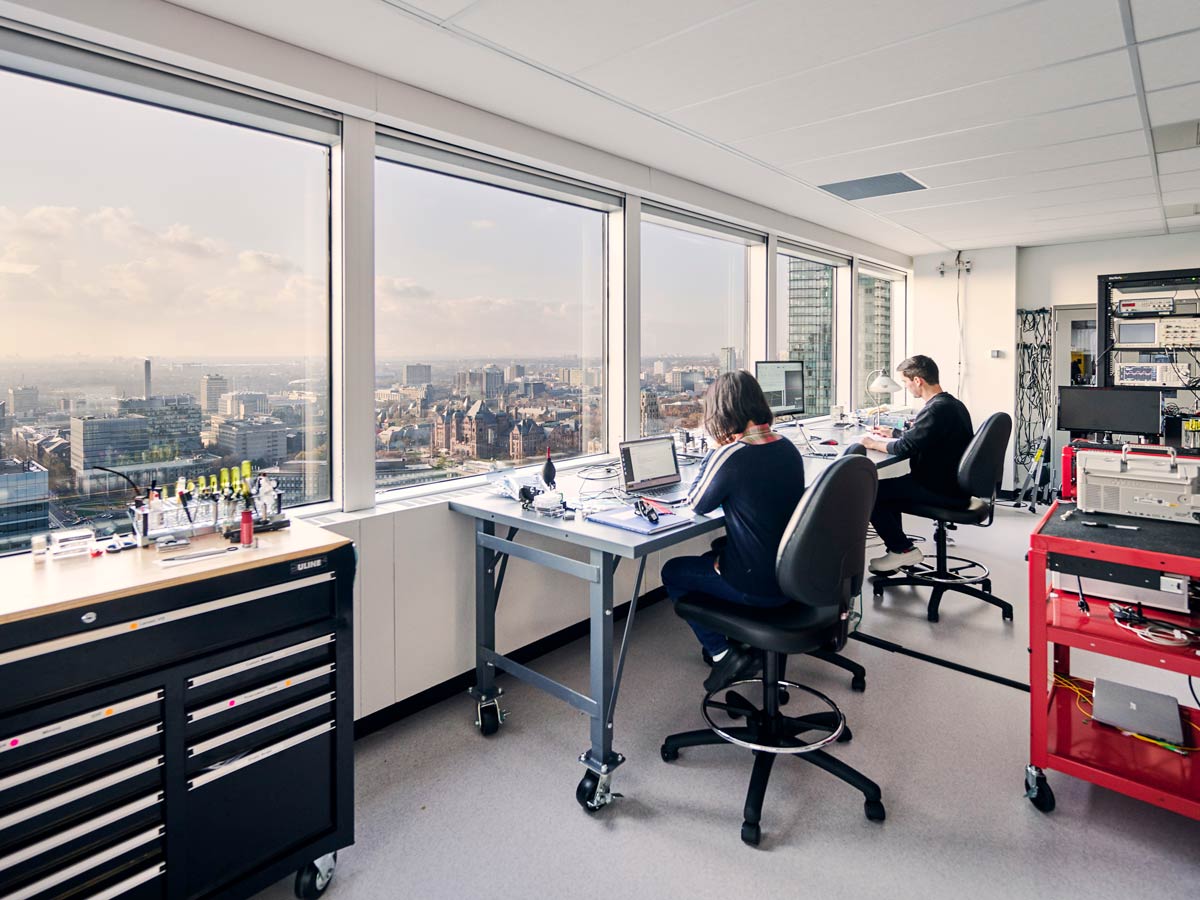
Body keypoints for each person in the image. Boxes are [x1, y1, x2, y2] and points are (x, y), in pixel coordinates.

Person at [661, 371, 807, 693]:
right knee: (710, 555)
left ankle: (724, 654)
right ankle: (741, 642)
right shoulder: (787, 447)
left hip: (757, 585)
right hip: (792, 578)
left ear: (724, 412)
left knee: (673, 571)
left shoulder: (732, 453)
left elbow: (696, 503)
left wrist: (716, 448)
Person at [858, 355, 974, 574]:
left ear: (918, 380)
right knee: (887, 491)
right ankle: (899, 551)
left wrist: (873, 443)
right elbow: (927, 437)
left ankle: (901, 550)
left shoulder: (935, 409)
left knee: (871, 491)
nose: (906, 386)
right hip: (951, 485)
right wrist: (893, 433)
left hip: (939, 489)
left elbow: (904, 448)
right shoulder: (952, 404)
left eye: (905, 382)